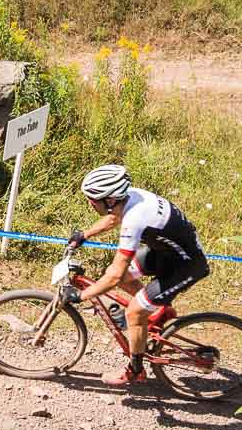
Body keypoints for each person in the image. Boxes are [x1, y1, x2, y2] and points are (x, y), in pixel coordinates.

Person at [65, 163, 211, 386]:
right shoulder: (131, 196)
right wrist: (84, 234)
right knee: (127, 280)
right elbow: (114, 218)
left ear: (110, 199)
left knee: (134, 312)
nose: (90, 203)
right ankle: (157, 311)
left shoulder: (135, 219)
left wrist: (81, 296)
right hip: (167, 253)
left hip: (186, 265)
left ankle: (135, 370)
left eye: (93, 199)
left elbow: (114, 275)